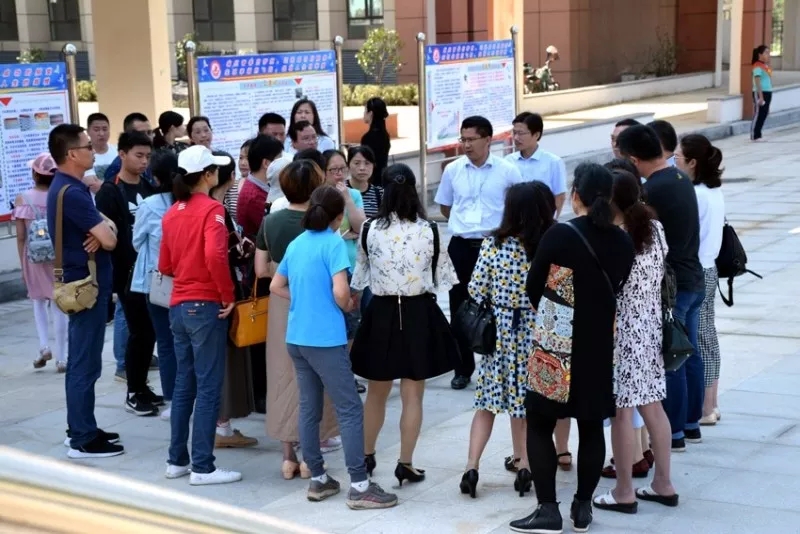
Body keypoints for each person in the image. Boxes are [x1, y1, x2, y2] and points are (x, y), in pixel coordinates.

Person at [509, 163, 634, 534]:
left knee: (540, 422)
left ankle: (548, 509)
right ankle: (582, 507)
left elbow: (534, 287)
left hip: (556, 338)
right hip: (598, 341)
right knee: (591, 425)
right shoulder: (621, 240)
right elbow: (618, 285)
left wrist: (560, 306)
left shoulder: (561, 234)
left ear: (576, 193)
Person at [269, 185, 397, 509]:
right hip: (325, 338)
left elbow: (275, 285)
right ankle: (360, 485)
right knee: (350, 408)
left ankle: (318, 478)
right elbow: (341, 291)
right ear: (339, 217)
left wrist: (305, 298)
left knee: (308, 407)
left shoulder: (297, 243)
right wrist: (344, 304)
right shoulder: (334, 243)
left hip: (297, 337)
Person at [351, 163, 459, 486]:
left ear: (383, 191)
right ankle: (405, 463)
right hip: (417, 312)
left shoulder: (369, 229)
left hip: (381, 312)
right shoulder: (430, 230)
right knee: (413, 394)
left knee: (376, 392)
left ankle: (366, 456)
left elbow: (360, 276)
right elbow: (443, 279)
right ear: (413, 190)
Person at [459, 181, 555, 499]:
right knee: (525, 405)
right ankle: (525, 465)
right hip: (534, 333)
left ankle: (471, 467)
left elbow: (476, 289)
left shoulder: (493, 244)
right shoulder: (547, 245)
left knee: (486, 405)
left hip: (499, 334)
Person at [593, 168, 678, 514]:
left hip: (622, 332)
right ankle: (664, 484)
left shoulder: (616, 237)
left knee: (622, 413)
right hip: (651, 327)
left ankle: (624, 491)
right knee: (653, 407)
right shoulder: (654, 229)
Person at [616, 124, 704, 452]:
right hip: (693, 277)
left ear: (633, 159)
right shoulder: (678, 177)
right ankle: (691, 425)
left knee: (670, 360)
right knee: (687, 353)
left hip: (675, 286)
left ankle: (674, 433)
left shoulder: (653, 189)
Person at [158, 145, 242, 485]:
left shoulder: (171, 212)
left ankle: (177, 461)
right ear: (207, 175)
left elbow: (165, 265)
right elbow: (215, 255)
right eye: (215, 170)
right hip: (205, 304)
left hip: (178, 305)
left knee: (184, 386)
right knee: (208, 388)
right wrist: (228, 295)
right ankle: (203, 467)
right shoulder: (212, 210)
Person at [255, 159, 339, 479]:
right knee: (318, 375)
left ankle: (288, 457)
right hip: (318, 303)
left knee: (282, 375)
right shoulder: (323, 221)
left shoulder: (271, 222)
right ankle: (312, 454)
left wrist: (283, 271)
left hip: (281, 303)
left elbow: (260, 270)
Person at [46, 123, 121, 458]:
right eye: (88, 146)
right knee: (85, 364)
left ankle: (80, 426)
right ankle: (82, 438)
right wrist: (104, 233)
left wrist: (104, 231)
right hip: (85, 288)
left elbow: (106, 230)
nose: (93, 150)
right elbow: (110, 238)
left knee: (82, 361)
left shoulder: (69, 187)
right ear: (72, 154)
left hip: (85, 284)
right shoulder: (73, 192)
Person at [433, 115, 523, 390]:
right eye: (463, 139)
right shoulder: (453, 170)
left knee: (499, 306)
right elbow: (445, 207)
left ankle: (498, 364)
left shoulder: (508, 171)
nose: (467, 145)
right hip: (461, 246)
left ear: (488, 139)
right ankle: (462, 368)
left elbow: (517, 209)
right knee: (460, 307)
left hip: (495, 246)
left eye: (472, 139)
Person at [96, 131, 161, 417]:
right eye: (138, 155)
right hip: (126, 273)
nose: (144, 161)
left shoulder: (148, 187)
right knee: (140, 331)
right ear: (122, 154)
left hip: (151, 272)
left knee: (150, 332)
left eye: (147, 156)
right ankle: (133, 391)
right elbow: (107, 235)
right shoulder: (110, 191)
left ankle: (142, 386)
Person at [208, 150, 258, 448]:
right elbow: (219, 255)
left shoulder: (183, 207)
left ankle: (214, 427)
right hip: (219, 295)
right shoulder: (215, 211)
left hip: (190, 297)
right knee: (225, 362)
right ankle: (221, 428)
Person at [674, 134, 726, 425]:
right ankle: (711, 404)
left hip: (698, 270)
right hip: (709, 268)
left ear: (692, 162)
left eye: (677, 157)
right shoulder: (713, 191)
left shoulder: (696, 195)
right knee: (708, 337)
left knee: (700, 340)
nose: (674, 162)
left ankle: (706, 408)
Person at [131, 150, 180, 421]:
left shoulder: (150, 205)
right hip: (190, 280)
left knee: (167, 342)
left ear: (157, 178)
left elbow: (137, 242)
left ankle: (174, 398)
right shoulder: (193, 202)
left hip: (159, 282)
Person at [14, 153, 68, 372]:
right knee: (59, 304)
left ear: (35, 174)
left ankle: (44, 346)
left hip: (33, 257)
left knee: (38, 301)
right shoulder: (60, 196)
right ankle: (62, 358)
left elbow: (21, 236)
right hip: (58, 255)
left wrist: (22, 263)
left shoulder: (23, 198)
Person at [322, 149, 367, 396]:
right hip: (327, 268)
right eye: (334, 170)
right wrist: (344, 234)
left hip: (351, 265)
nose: (339, 174)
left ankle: (347, 372)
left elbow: (361, 228)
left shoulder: (354, 194)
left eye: (342, 169)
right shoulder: (318, 197)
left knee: (352, 322)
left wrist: (348, 198)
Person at [506, 112, 567, 217]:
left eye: (521, 133)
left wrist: (552, 221)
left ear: (536, 135)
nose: (516, 138)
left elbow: (560, 196)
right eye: (514, 133)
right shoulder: (508, 161)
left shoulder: (553, 162)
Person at [103, 112, 154, 182]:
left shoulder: (150, 158)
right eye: (141, 134)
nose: (148, 137)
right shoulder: (115, 169)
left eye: (149, 132)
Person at [360, 97, 391, 186]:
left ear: (370, 113)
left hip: (371, 182)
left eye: (365, 110)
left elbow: (365, 161)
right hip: (383, 179)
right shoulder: (385, 135)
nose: (363, 113)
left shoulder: (367, 138)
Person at [347, 145, 383, 219]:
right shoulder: (340, 190)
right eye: (357, 163)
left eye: (367, 163)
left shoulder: (380, 193)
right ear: (348, 165)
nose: (362, 168)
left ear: (373, 166)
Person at [751, 45, 773, 141]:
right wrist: (760, 96)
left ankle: (758, 134)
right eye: (766, 53)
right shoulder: (757, 66)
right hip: (760, 92)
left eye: (769, 53)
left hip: (768, 92)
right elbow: (757, 81)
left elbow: (769, 77)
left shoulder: (765, 66)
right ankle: (755, 135)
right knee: (758, 113)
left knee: (764, 113)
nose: (768, 55)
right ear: (760, 55)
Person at [86, 113, 116, 179]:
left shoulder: (118, 152)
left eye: (105, 129)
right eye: (96, 130)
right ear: (88, 131)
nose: (101, 134)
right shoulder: (83, 155)